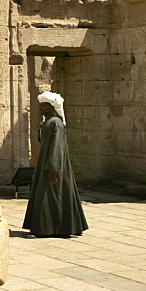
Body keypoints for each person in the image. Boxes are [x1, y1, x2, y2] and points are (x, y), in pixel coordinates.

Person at [23, 91, 89, 238]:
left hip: (53, 166)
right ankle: (55, 228)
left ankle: (44, 229)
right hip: (47, 164)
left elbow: (57, 147)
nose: (40, 109)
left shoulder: (56, 123)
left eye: (43, 106)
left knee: (48, 196)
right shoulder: (49, 123)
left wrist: (53, 168)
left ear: (51, 107)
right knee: (52, 196)